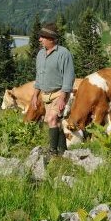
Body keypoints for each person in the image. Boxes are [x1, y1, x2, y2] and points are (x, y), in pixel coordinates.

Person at [30, 22, 75, 155]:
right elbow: (39, 77)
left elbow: (69, 77)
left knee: (51, 119)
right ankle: (63, 151)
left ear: (51, 38)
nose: (40, 39)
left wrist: (63, 98)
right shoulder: (40, 55)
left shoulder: (64, 54)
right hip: (45, 95)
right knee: (57, 122)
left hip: (59, 93)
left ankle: (53, 151)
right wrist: (35, 95)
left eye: (42, 37)